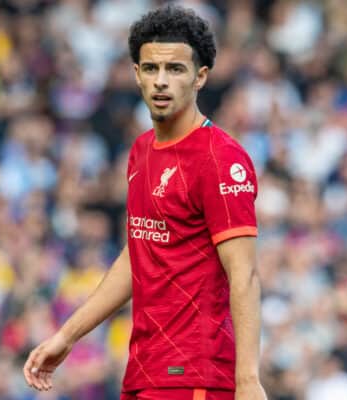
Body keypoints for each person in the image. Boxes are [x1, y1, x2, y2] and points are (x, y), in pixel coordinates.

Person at [23, 5, 267, 400]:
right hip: (144, 369)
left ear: (200, 77)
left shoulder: (220, 159)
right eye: (151, 68)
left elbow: (245, 275)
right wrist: (67, 336)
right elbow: (139, 253)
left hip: (196, 374)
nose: (161, 81)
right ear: (136, 73)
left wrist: (248, 380)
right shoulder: (141, 151)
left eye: (175, 69)